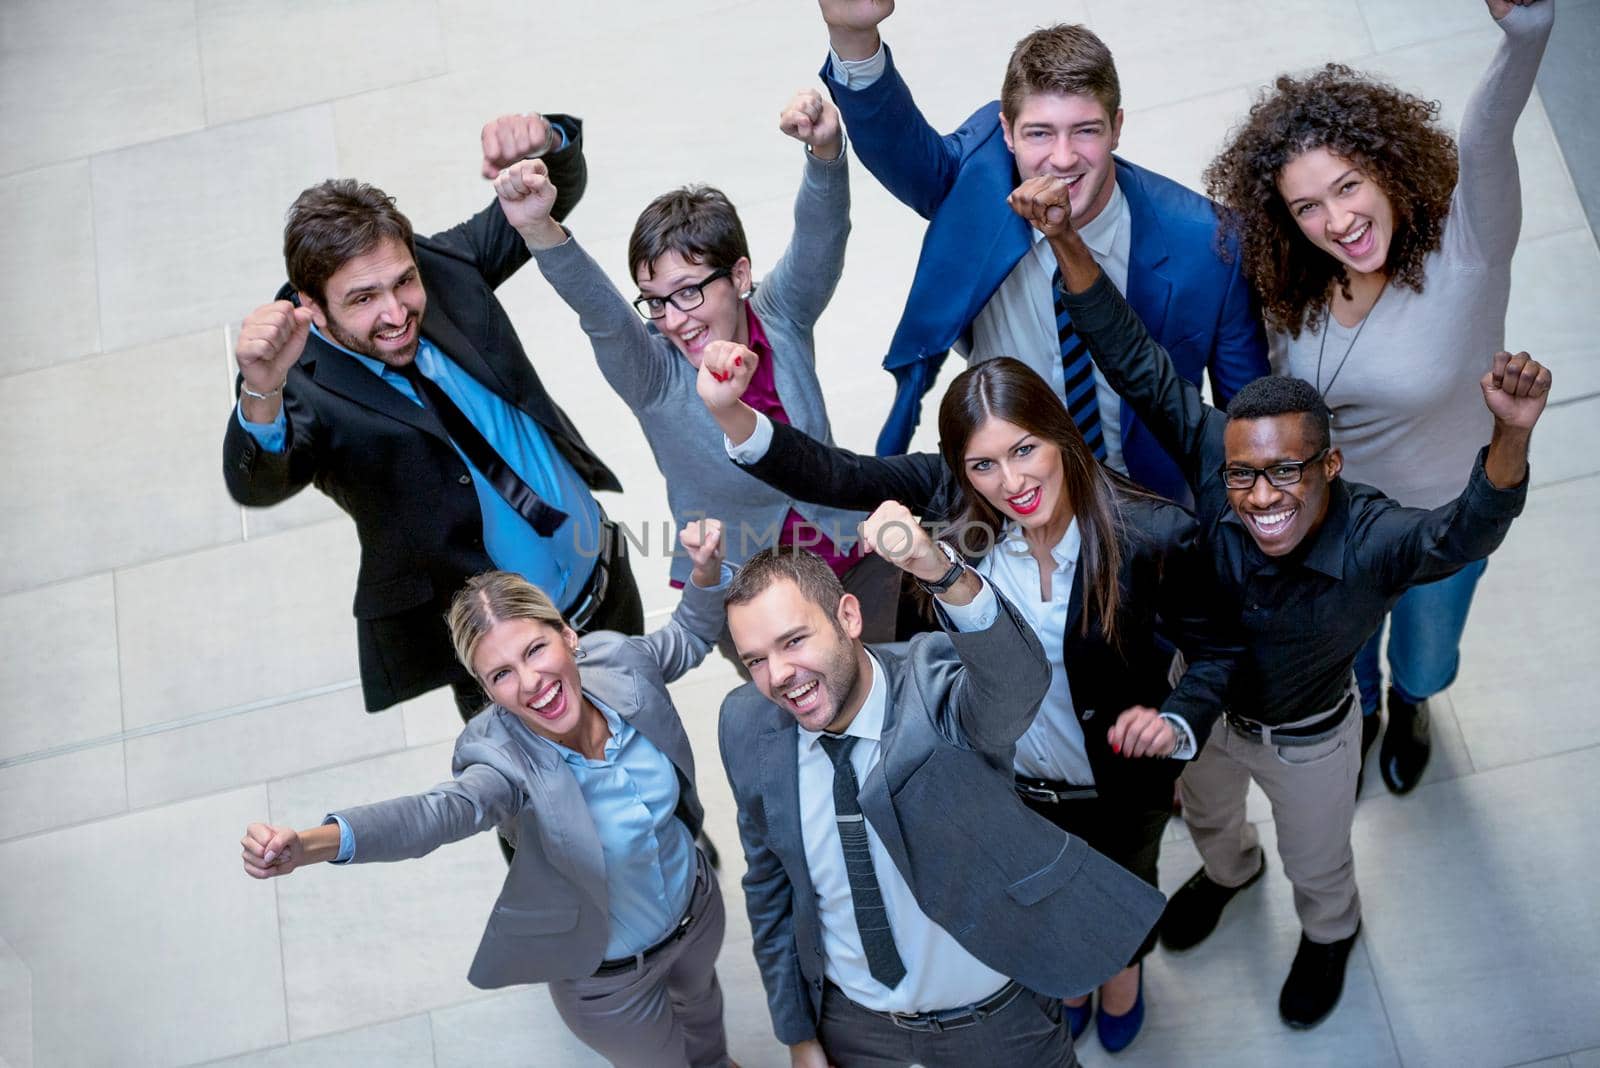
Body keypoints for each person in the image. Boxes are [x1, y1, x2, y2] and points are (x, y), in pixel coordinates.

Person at [1015, 174, 1550, 1028]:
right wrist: (1064, 238)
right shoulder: (1210, 462)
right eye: (1243, 475)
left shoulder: (1371, 535)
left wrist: (1511, 434)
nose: (1261, 496)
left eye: (1286, 471)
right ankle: (1231, 874)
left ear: (1328, 469)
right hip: (1207, 712)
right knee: (1213, 821)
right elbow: (1132, 356)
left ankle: (1330, 931)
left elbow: (1463, 534)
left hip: (1309, 739)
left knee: (1320, 857)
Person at [697, 342, 1238, 1050]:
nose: (1010, 482)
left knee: (1118, 888)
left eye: (1024, 450)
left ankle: (1121, 974)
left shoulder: (1154, 532)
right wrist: (731, 413)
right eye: (983, 464)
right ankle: (1065, 980)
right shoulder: (957, 507)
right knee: (1038, 897)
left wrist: (1176, 720)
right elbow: (834, 471)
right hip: (1001, 778)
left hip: (1115, 781)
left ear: (1061, 435)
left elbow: (1221, 652)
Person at [1202, 0, 1554, 792]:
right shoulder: (1295, 283)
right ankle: (1360, 708)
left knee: (1425, 651)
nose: (1339, 220)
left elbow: (1486, 136)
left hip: (1437, 520)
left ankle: (1412, 707)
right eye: (1307, 207)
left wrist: (1527, 32)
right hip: (1330, 525)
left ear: (1388, 167)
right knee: (1343, 648)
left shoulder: (1468, 248)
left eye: (1349, 185)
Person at [240, 521, 735, 1068]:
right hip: (609, 980)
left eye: (535, 650)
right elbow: (433, 815)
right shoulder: (500, 760)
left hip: (696, 910)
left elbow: (687, 636)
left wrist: (705, 573)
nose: (528, 682)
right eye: (501, 674)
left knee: (705, 1013)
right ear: (487, 691)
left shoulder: (618, 660)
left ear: (568, 635)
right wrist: (312, 844)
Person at [222, 111, 640, 725]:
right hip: (509, 668)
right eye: (363, 300)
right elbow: (254, 483)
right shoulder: (299, 383)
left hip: (605, 583)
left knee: (656, 757)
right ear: (310, 304)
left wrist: (547, 139)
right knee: (550, 816)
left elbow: (553, 191)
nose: (396, 312)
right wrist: (260, 392)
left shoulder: (444, 265)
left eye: (402, 282)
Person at [718, 527, 1168, 1067]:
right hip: (855, 1023)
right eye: (756, 660)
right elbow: (770, 885)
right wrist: (798, 1035)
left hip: (996, 1016)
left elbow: (1015, 683)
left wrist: (942, 572)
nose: (780, 675)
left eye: (794, 641)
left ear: (848, 618)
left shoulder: (933, 684)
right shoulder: (745, 723)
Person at [488, 89, 898, 659]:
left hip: (850, 553)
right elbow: (599, 310)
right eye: (655, 301)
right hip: (750, 593)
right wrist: (538, 229)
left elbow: (820, 239)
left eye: (688, 292)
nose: (674, 320)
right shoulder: (653, 373)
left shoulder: (780, 317)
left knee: (908, 674)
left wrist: (825, 151)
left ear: (740, 274)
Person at [812, 0, 1268, 504]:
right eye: (1039, 133)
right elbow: (898, 144)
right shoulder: (976, 183)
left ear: (1117, 126)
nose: (1064, 157)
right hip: (1007, 495)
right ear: (1007, 132)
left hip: (1149, 502)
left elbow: (1247, 419)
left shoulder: (1209, 244)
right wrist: (852, 35)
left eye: (1086, 130)